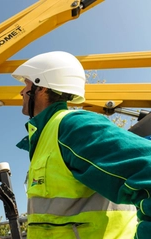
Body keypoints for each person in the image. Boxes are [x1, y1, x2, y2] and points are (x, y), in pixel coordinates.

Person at [12, 51, 151, 239]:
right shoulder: (46, 137)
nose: (21, 92)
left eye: (26, 84)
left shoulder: (73, 126)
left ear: (41, 88)